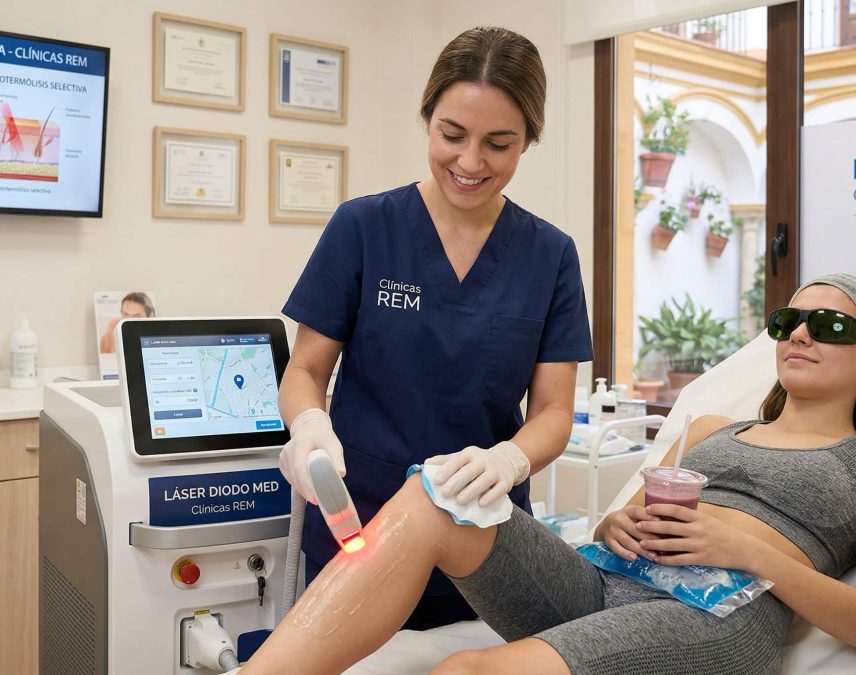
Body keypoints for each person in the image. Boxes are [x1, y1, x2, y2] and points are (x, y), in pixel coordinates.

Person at [244, 273, 856, 674]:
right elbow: (627, 515)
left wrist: (751, 552)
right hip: (604, 582)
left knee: (462, 671)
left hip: (713, 616)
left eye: (828, 326)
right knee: (437, 489)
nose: (799, 334)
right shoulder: (707, 428)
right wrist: (618, 522)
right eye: (786, 321)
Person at [277, 26, 593, 629]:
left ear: (528, 140)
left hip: (485, 540)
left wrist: (508, 461)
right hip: (359, 524)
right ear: (428, 120)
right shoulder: (363, 227)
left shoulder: (550, 254)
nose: (470, 162)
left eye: (498, 144)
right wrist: (310, 426)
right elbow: (306, 371)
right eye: (453, 135)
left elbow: (553, 411)